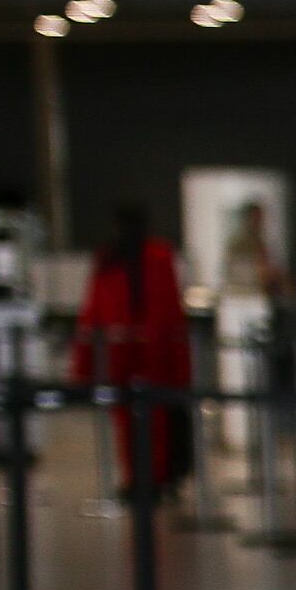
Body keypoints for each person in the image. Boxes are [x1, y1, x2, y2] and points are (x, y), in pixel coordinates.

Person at [70, 201, 193, 502]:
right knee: (144, 416)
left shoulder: (123, 258)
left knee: (143, 417)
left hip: (135, 349)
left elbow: (97, 307)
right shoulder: (139, 257)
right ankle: (148, 478)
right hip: (137, 349)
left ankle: (149, 478)